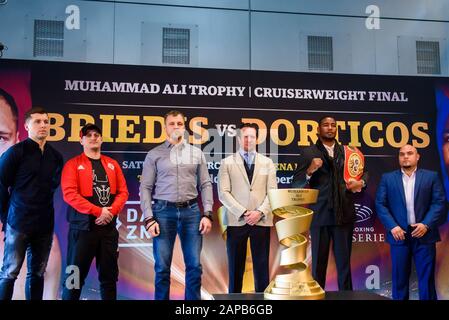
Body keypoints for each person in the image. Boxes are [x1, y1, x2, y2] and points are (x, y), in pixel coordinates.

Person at [140, 110, 213, 300]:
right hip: (163, 213)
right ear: (165, 127)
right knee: (162, 268)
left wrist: (207, 213)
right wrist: (149, 218)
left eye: (179, 124)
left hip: (192, 213)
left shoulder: (196, 153)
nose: (175, 127)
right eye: (171, 124)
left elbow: (205, 184)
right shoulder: (154, 154)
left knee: (194, 267)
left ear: (184, 126)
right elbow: (145, 188)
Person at [292, 116, 368, 290]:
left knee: (344, 266)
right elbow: (296, 184)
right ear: (318, 130)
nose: (330, 128)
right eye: (326, 125)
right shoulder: (308, 153)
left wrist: (361, 183)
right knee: (318, 265)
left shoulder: (349, 152)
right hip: (320, 215)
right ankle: (317, 295)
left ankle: (346, 297)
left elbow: (364, 173)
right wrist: (310, 171)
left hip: (344, 214)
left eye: (333, 125)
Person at [0, 107, 63, 300]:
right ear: (27, 126)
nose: (43, 125)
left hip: (44, 226)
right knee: (9, 273)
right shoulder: (15, 153)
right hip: (18, 224)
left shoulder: (55, 157)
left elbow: (52, 187)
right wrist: (6, 219)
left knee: (36, 274)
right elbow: (2, 186)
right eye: (37, 121)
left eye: (46, 121)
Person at [60, 123, 129, 300]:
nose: (93, 137)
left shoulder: (112, 164)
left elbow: (123, 192)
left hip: (107, 231)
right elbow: (69, 195)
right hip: (82, 229)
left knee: (109, 278)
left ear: (102, 139)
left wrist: (111, 212)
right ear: (81, 140)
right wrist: (98, 211)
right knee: (73, 278)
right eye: (88, 135)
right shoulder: (73, 165)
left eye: (96, 134)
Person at [375, 144, 446, 300]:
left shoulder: (431, 176)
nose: (405, 156)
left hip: (424, 235)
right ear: (399, 158)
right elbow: (380, 204)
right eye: (402, 154)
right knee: (399, 281)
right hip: (399, 235)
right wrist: (392, 226)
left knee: (426, 281)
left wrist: (426, 224)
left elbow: (439, 202)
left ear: (417, 157)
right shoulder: (388, 178)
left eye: (409, 153)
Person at [218, 123, 277, 293]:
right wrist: (244, 213)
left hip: (261, 220)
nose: (248, 140)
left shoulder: (267, 162)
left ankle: (263, 306)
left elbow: (272, 192)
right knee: (235, 270)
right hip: (237, 221)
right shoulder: (226, 162)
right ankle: (233, 304)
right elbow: (223, 193)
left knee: (261, 269)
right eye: (245, 136)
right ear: (238, 139)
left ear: (256, 139)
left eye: (252, 136)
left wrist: (259, 212)